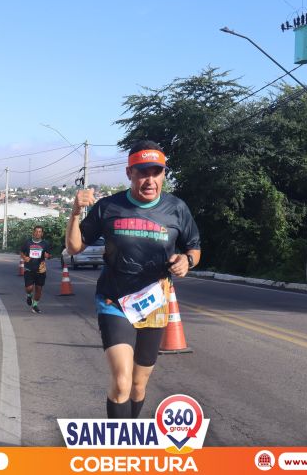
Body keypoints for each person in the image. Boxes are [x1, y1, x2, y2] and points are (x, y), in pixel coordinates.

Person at [66, 140, 201, 419]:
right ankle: (120, 442)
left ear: (163, 174)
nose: (150, 180)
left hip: (154, 303)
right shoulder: (108, 207)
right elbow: (75, 247)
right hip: (114, 301)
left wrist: (186, 261)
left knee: (139, 385)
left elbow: (194, 248)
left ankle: (130, 433)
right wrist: (75, 212)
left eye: (156, 172)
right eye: (142, 173)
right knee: (122, 382)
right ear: (130, 173)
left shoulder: (177, 208)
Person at [20, 225, 52, 314]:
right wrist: (24, 258)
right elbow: (21, 252)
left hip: (41, 270)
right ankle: (29, 295)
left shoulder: (45, 244)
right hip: (29, 269)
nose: (38, 233)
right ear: (33, 233)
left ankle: (35, 306)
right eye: (36, 231)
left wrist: (48, 256)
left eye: (40, 232)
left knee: (39, 289)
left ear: (42, 234)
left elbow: (50, 255)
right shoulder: (27, 242)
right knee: (29, 288)